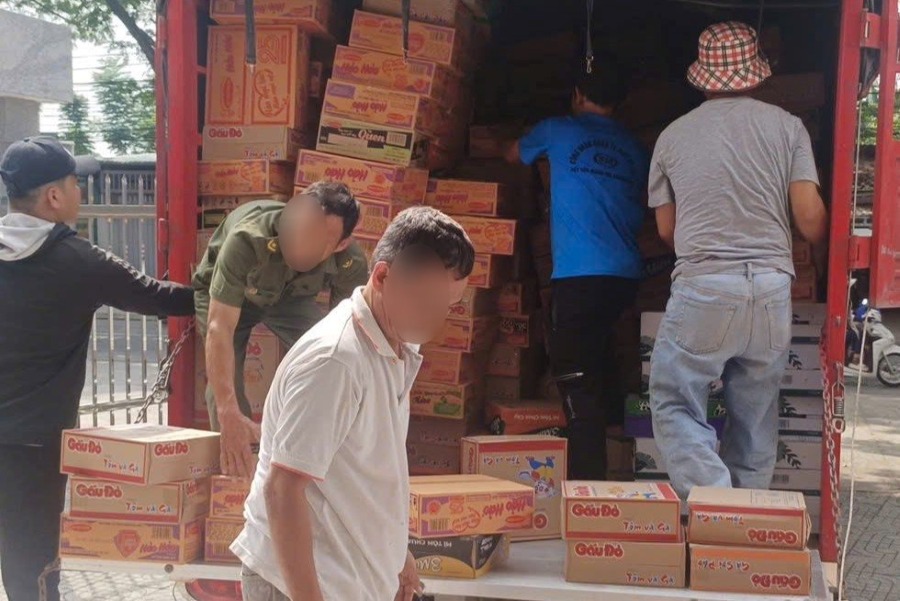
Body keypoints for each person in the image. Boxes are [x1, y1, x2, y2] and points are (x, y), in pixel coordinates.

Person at [231, 207, 474, 601]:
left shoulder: (396, 345)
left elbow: (363, 475)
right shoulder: (336, 362)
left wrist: (396, 555)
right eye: (427, 303)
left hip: (346, 581)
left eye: (448, 306)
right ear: (382, 277)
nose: (438, 321)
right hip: (301, 588)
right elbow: (283, 490)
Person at [0, 136, 195, 601]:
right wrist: (228, 288)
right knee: (32, 559)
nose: (79, 193)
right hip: (34, 444)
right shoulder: (77, 261)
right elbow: (159, 297)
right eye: (74, 183)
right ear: (53, 196)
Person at [647, 22, 828, 498]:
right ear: (756, 74)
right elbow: (809, 218)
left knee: (674, 401)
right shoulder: (789, 128)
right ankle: (746, 518)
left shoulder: (671, 136)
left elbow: (666, 230)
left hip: (704, 285)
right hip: (771, 289)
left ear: (702, 78)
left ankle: (714, 502)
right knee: (756, 412)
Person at [506, 55, 650, 480]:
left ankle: (588, 487)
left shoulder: (559, 129)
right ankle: (619, 461)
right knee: (600, 360)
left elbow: (514, 154)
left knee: (575, 378)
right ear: (620, 102)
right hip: (624, 276)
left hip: (579, 276)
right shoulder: (634, 147)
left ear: (577, 95)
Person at [192, 184, 368, 478]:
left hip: (289, 299)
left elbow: (348, 342)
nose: (299, 245)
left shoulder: (351, 262)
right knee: (225, 391)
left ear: (340, 245)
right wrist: (228, 415)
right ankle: (238, 479)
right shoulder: (248, 239)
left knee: (336, 360)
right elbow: (219, 327)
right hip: (225, 297)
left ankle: (321, 461)